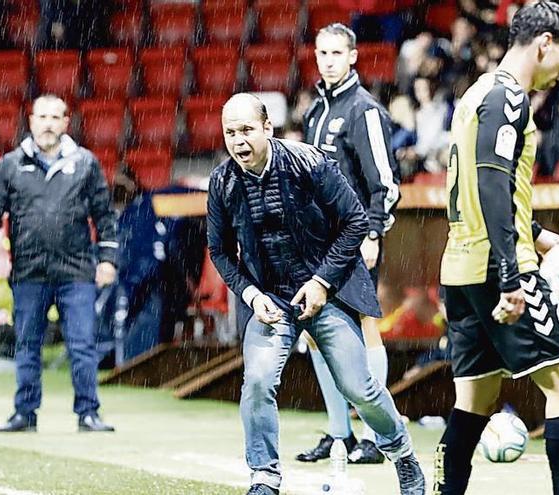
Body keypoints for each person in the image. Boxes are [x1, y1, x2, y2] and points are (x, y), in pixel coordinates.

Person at [208, 93, 424, 495]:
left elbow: (355, 221)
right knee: (256, 381)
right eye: (230, 132)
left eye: (247, 130)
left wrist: (322, 282)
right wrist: (252, 295)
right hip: (270, 300)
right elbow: (219, 251)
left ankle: (403, 455)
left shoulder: (310, 162)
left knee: (360, 389)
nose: (239, 141)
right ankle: (264, 476)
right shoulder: (222, 182)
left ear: (267, 129)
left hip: (330, 290)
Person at [433, 3, 559, 495]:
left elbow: (479, 183)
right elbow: (492, 184)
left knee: (475, 399)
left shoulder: (477, 92)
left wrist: (537, 229)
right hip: (500, 266)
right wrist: (512, 276)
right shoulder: (510, 98)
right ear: (543, 42)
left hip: (459, 267)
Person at [0, 94, 117, 433]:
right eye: (42, 117)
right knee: (27, 345)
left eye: (56, 117)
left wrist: (108, 259)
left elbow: (105, 217)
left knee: (81, 345)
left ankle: (88, 413)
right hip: (29, 272)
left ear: (66, 123)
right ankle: (25, 413)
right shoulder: (10, 165)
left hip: (76, 272)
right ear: (31, 121)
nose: (48, 124)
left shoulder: (85, 163)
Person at [300, 22, 401, 465]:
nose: (328, 61)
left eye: (336, 53)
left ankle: (379, 436)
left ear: (354, 56)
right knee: (320, 333)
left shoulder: (365, 110)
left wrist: (374, 231)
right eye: (322, 53)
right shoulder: (314, 111)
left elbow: (386, 182)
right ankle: (340, 435)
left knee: (363, 329)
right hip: (317, 241)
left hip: (355, 238)